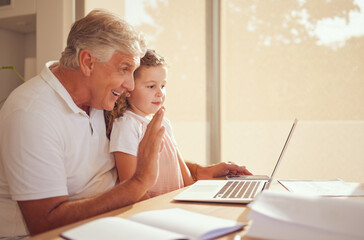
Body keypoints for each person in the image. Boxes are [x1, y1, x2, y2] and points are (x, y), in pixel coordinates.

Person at [0, 9, 250, 239]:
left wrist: (198, 171)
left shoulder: (100, 101)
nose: (130, 85)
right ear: (88, 62)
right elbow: (45, 224)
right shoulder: (31, 113)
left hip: (113, 222)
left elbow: (136, 158)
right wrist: (138, 184)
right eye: (124, 69)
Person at [105, 49, 252, 199]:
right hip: (151, 207)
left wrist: (194, 198)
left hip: (175, 202)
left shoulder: (164, 124)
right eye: (151, 86)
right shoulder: (126, 125)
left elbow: (183, 172)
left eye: (163, 86)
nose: (160, 93)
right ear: (129, 89)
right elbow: (130, 185)